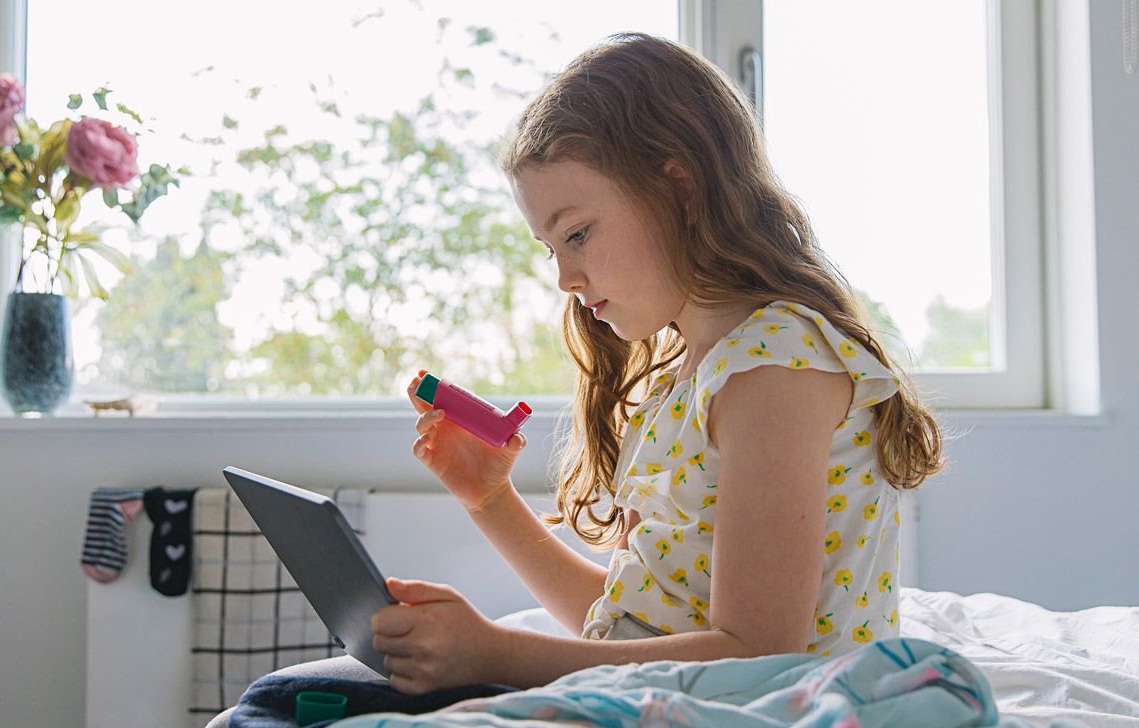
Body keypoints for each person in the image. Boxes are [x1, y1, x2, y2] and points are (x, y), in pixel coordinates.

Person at [208, 31, 943, 726]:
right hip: (655, 698)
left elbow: (759, 655)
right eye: (550, 246)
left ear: (680, 192)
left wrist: (492, 651)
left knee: (279, 712)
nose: (563, 275)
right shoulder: (690, 376)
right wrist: (491, 500)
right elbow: (626, 626)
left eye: (578, 233)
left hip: (730, 711)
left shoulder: (775, 368)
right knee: (288, 698)